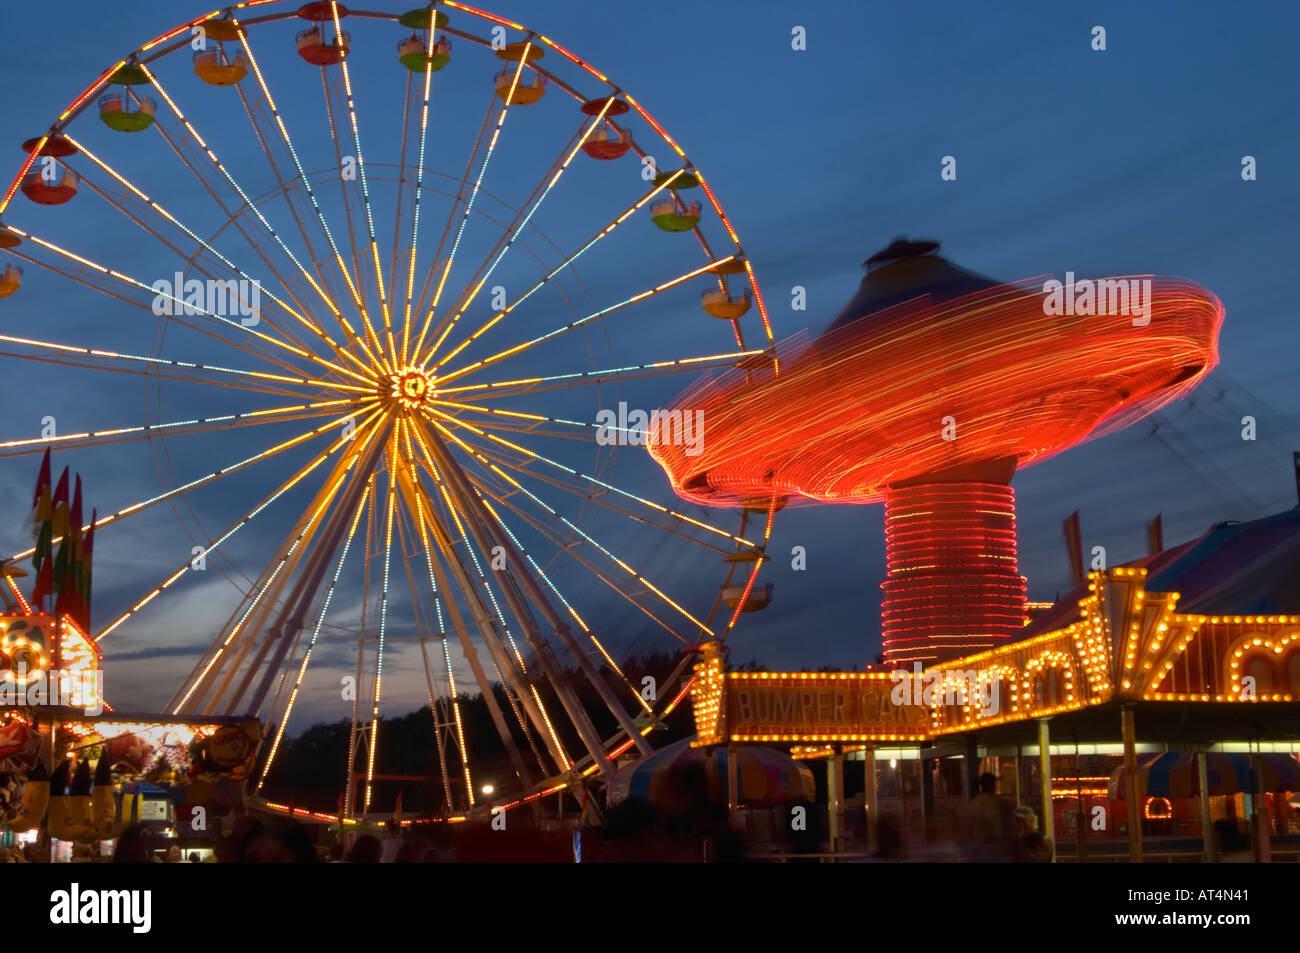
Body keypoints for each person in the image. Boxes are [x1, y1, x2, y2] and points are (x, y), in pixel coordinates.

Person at [969, 772, 1003, 859]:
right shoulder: (990, 801)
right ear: (991, 785)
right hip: (989, 846)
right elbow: (993, 824)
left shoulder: (975, 801)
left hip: (977, 846)